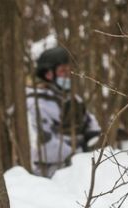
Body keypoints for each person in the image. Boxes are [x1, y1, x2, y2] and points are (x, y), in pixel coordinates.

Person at [25, 45, 101, 178]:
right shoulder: (36, 103)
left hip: (78, 168)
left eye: (69, 70)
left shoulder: (74, 99)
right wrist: (78, 151)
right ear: (48, 74)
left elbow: (92, 125)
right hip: (48, 174)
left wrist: (92, 138)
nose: (68, 75)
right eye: (63, 71)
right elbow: (44, 146)